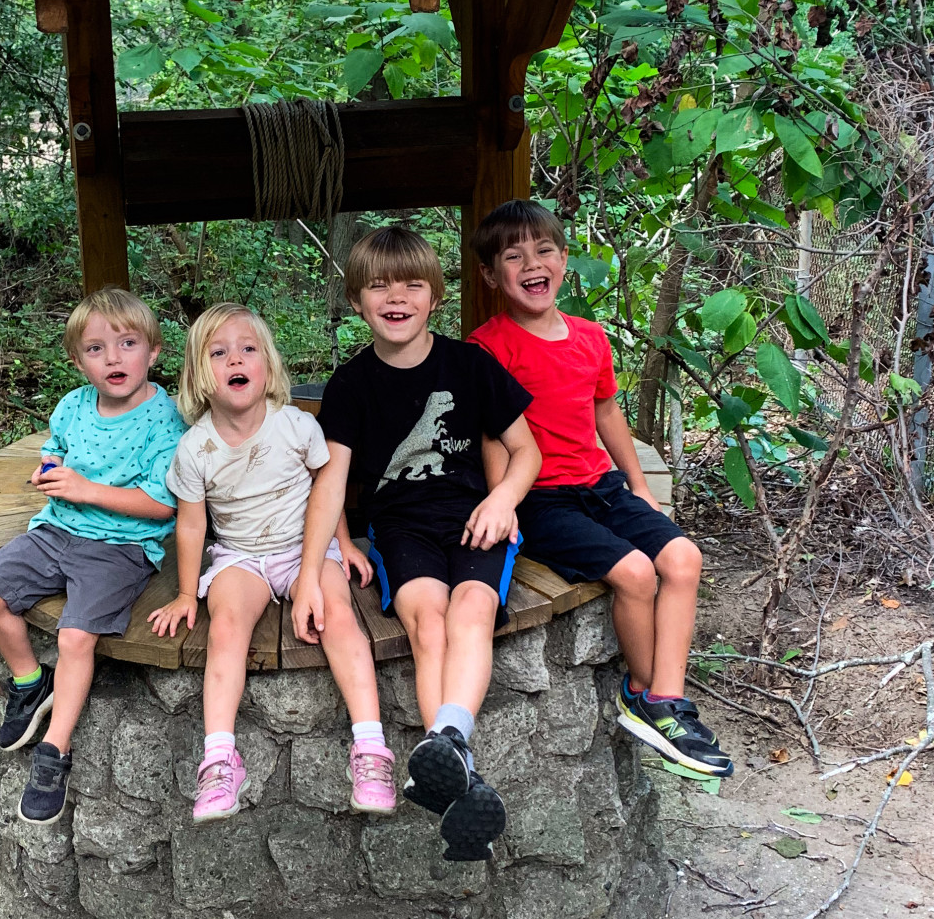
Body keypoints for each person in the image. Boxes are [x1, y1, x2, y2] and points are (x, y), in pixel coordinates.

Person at [297, 228, 542, 862]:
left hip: (473, 519)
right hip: (399, 528)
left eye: (411, 284)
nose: (396, 296)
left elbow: (525, 452)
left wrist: (502, 500)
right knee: (427, 621)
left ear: (435, 296)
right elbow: (330, 484)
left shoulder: (468, 365)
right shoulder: (351, 385)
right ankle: (458, 761)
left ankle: (448, 753)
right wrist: (315, 563)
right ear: (357, 301)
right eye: (379, 285)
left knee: (472, 612)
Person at [468, 199, 732, 779]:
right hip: (541, 499)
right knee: (636, 573)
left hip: (603, 485)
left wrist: (638, 484)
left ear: (564, 259)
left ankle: (663, 698)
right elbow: (493, 438)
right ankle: (645, 695)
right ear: (491, 275)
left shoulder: (590, 338)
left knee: (684, 558)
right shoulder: (489, 346)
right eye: (514, 256)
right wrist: (502, 500)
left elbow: (607, 413)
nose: (532, 264)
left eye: (544, 251)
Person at [150, 303, 394, 822]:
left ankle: (370, 748)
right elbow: (192, 525)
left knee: (338, 613)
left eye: (247, 349)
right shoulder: (194, 449)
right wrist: (184, 591)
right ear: (198, 375)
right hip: (241, 555)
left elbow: (325, 493)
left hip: (306, 546)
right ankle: (219, 758)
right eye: (218, 353)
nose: (234, 359)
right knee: (227, 626)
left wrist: (344, 544)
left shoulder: (296, 426)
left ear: (268, 365)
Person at [0, 287, 184, 824]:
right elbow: (56, 449)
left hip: (120, 547)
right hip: (55, 530)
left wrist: (85, 488)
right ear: (78, 360)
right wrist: (47, 470)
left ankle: (55, 751)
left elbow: (160, 505)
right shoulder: (73, 405)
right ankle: (28, 681)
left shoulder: (165, 421)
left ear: (153, 352)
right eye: (95, 348)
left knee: (74, 634)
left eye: (127, 343)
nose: (113, 358)